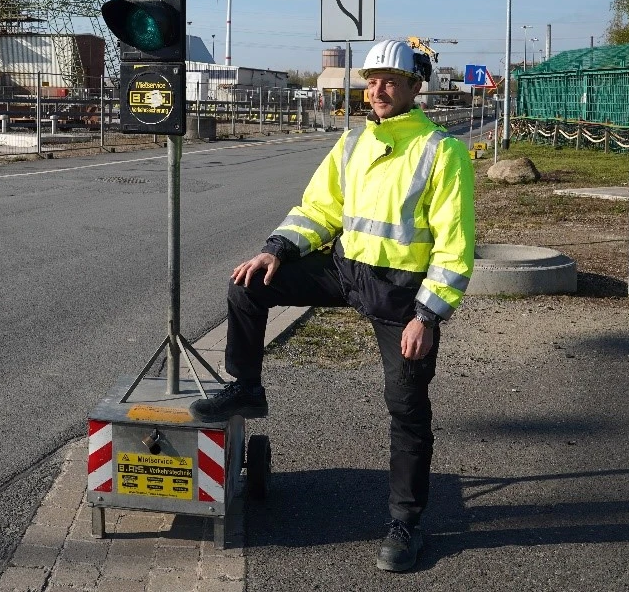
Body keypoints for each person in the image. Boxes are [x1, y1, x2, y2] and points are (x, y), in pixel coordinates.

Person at [191, 38, 475, 573]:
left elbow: (455, 247)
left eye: (391, 80)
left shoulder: (442, 150)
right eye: (371, 79)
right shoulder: (351, 144)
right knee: (248, 284)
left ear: (416, 87)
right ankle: (247, 387)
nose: (378, 89)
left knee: (408, 411)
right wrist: (276, 249)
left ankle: (406, 524)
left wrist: (427, 315)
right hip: (346, 271)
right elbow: (318, 209)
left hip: (401, 294)